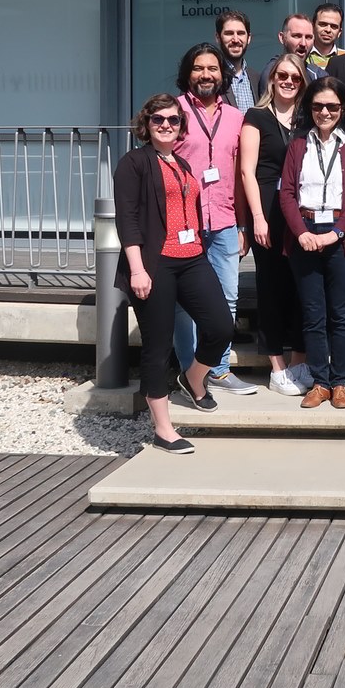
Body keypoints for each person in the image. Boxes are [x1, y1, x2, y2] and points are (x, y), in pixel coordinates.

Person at [114, 94, 233, 453]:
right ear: (146, 124)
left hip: (192, 258)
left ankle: (193, 378)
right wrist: (137, 269)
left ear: (181, 126)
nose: (166, 125)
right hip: (155, 263)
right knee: (158, 345)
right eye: (158, 119)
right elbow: (127, 219)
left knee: (221, 326)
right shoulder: (134, 163)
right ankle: (163, 430)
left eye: (173, 119)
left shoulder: (181, 162)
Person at [279, 77, 345, 408]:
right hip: (304, 231)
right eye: (318, 106)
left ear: (343, 108)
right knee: (313, 312)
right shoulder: (297, 145)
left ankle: (340, 382)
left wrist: (336, 232)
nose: (324, 112)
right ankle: (320, 382)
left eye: (332, 106)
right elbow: (286, 194)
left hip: (341, 232)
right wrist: (301, 233)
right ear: (309, 108)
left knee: (342, 312)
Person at [171, 43, 255, 396]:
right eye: (198, 68)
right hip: (183, 223)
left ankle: (218, 370)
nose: (205, 75)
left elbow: (240, 175)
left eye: (212, 68)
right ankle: (189, 372)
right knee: (184, 302)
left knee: (227, 296)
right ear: (187, 73)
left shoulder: (236, 117)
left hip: (223, 219)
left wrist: (243, 225)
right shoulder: (173, 112)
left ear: (223, 74)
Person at [238, 52, 311, 396]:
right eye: (283, 75)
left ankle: (299, 361)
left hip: (301, 212)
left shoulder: (308, 118)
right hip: (267, 210)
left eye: (295, 77)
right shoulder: (256, 117)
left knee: (302, 286)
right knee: (270, 288)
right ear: (272, 78)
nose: (288, 82)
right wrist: (256, 218)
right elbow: (246, 172)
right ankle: (277, 367)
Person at [256, 14, 322, 98]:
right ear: (282, 38)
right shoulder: (271, 72)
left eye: (308, 37)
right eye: (297, 36)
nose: (303, 43)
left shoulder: (317, 75)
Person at [215, 9, 258, 113]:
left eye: (240, 33)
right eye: (229, 33)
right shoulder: (211, 77)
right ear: (218, 38)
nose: (235, 39)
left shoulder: (256, 79)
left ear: (249, 38)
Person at [306, 3, 345, 70]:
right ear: (313, 26)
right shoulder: (302, 54)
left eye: (333, 26)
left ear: (339, 32)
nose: (328, 30)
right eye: (323, 24)